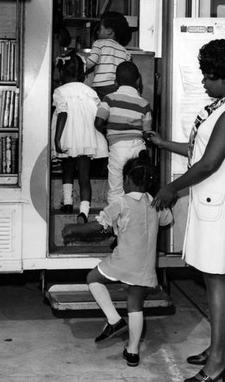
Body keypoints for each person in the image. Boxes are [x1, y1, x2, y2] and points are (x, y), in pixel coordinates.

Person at [147, 39, 225, 382]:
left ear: (223, 77)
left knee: (217, 278)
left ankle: (218, 361)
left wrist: (171, 187)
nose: (203, 82)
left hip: (221, 199)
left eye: (208, 76)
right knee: (220, 276)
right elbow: (198, 150)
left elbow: (209, 163)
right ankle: (218, 347)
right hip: (214, 199)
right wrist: (164, 143)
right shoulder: (223, 104)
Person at [62, 150, 173, 367]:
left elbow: (97, 226)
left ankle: (113, 320)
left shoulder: (121, 202)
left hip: (123, 261)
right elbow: (166, 220)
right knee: (135, 304)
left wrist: (73, 229)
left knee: (93, 278)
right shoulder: (155, 202)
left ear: (127, 179)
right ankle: (132, 352)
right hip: (146, 266)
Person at [51, 51, 108, 223]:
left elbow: (63, 114)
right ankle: (83, 211)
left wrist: (57, 138)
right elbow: (98, 114)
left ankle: (68, 202)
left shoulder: (60, 91)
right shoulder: (90, 92)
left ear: (61, 72)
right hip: (86, 139)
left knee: (67, 169)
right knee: (84, 176)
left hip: (68, 137)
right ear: (82, 73)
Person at [95, 60, 152, 204]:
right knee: (139, 190)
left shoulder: (109, 99)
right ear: (138, 81)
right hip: (139, 148)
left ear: (116, 82)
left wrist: (110, 131)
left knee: (116, 190)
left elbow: (98, 123)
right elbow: (147, 133)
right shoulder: (144, 104)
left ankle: (115, 224)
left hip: (118, 149)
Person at [85, 11, 132, 100]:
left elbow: (91, 61)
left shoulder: (99, 43)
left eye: (100, 28)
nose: (98, 31)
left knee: (97, 108)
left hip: (101, 87)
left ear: (109, 31)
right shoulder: (125, 51)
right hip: (118, 88)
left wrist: (81, 67)